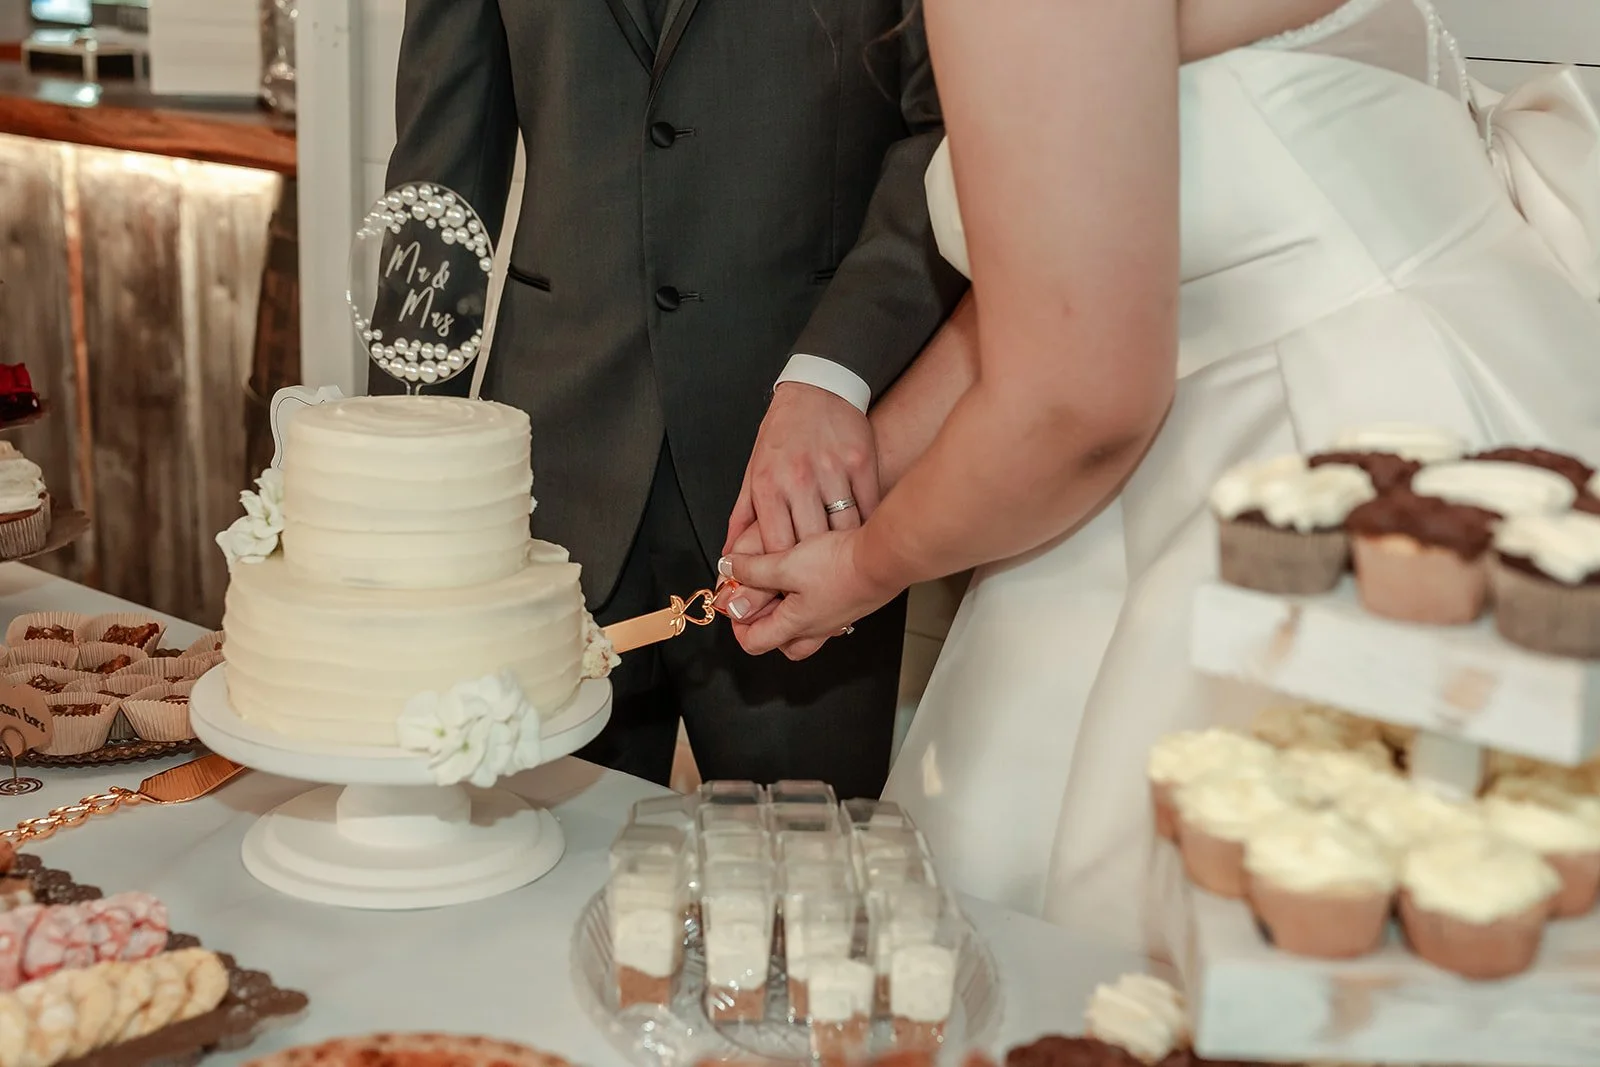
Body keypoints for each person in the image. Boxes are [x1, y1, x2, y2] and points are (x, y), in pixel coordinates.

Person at [719, 0, 1600, 958]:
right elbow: (1065, 276)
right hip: (1487, 385)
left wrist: (865, 565)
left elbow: (1076, 403)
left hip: (1320, 497)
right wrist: (860, 480)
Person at [378, 0, 967, 796]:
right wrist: (397, 462)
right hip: (547, 466)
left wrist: (837, 368)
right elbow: (440, 169)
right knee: (525, 869)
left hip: (799, 480)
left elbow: (955, 138)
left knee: (800, 885)